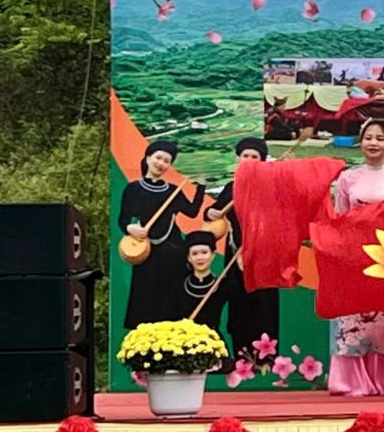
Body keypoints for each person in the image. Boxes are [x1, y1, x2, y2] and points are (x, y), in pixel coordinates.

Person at [328, 120, 384, 396]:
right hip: (355, 255)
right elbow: (340, 217)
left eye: (380, 138)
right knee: (354, 317)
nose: (373, 143)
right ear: (361, 142)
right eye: (368, 137)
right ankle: (351, 381)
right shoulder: (347, 178)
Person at [203, 138, 281, 359]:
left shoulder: (271, 186)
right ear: (238, 159)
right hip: (235, 253)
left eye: (255, 157)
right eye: (245, 156)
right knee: (238, 304)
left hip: (263, 254)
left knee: (264, 305)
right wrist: (210, 212)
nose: (249, 160)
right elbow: (214, 212)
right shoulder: (232, 187)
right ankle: (241, 357)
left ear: (262, 161)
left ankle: (266, 360)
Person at [120, 140, 207, 328]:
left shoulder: (173, 191)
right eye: (158, 158)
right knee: (145, 298)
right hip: (146, 252)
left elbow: (192, 211)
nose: (161, 163)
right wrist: (130, 228)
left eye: (166, 161)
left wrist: (201, 187)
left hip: (173, 251)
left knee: (172, 300)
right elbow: (123, 219)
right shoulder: (133, 189)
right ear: (148, 158)